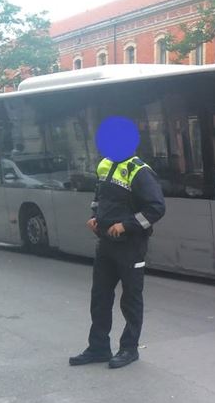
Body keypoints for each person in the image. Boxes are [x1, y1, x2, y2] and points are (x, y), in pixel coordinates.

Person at [69, 143, 166, 369]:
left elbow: (156, 208)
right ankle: (98, 347)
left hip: (131, 246)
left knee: (131, 299)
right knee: (100, 297)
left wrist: (127, 225)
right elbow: (99, 199)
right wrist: (95, 216)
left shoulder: (139, 170)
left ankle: (129, 349)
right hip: (106, 243)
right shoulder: (104, 166)